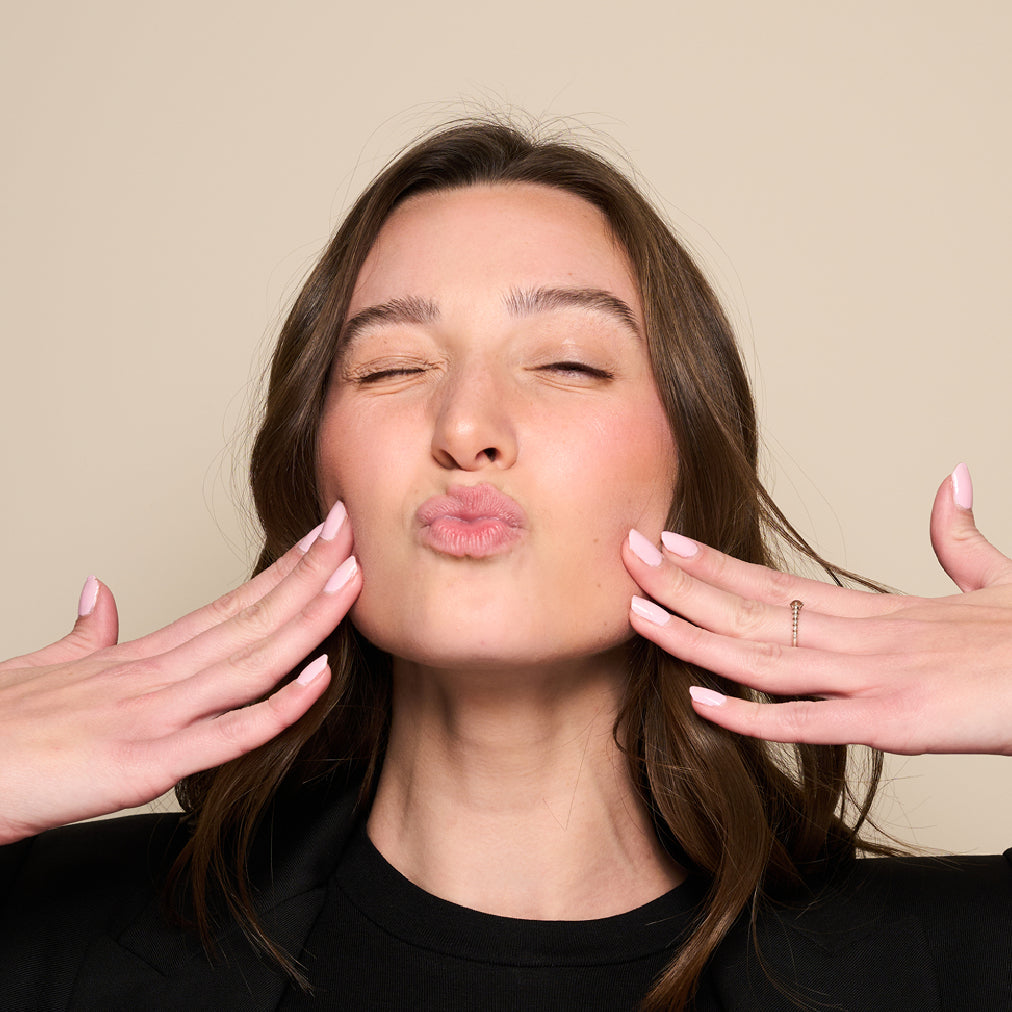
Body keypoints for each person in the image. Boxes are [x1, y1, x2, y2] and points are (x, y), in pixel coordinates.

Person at [1, 120, 1009, 1011]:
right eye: (392, 368)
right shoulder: (52, 938)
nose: (467, 428)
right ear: (314, 474)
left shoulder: (951, 961)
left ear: (690, 467)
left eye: (567, 362)